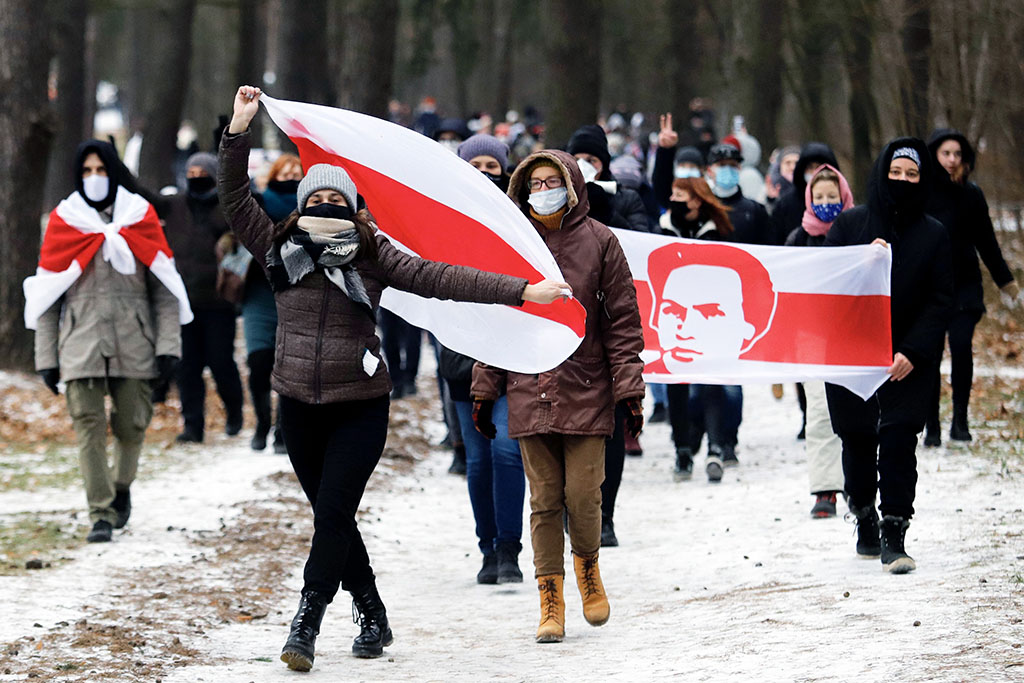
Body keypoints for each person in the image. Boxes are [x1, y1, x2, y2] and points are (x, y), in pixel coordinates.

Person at [220, 85, 570, 671]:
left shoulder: (372, 253)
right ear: (302, 206)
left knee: (332, 512)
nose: (327, 205)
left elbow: (442, 277)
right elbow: (234, 197)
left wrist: (522, 291)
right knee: (333, 517)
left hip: (360, 403)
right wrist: (238, 130)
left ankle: (305, 623)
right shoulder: (278, 248)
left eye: (338, 197)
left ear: (353, 207)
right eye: (317, 197)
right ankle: (373, 612)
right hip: (298, 403)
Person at [472, 150, 644, 644]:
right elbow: (496, 322)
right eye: (535, 182)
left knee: (583, 496)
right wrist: (486, 389)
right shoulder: (514, 244)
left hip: (587, 386)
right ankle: (551, 598)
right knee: (545, 500)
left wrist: (629, 389)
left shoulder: (601, 242)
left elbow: (623, 322)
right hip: (530, 386)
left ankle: (588, 570)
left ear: (571, 187)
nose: (543, 190)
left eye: (552, 181)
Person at [25, 139, 188, 543]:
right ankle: (100, 512)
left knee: (132, 425)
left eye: (101, 170)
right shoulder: (66, 221)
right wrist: (46, 357)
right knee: (88, 428)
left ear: (113, 172)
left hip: (135, 342)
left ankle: (121, 488)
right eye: (86, 171)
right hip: (80, 344)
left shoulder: (139, 216)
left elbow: (165, 288)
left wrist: (169, 346)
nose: (94, 178)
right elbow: (47, 296)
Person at [824, 138, 953, 574]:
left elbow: (941, 299)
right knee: (857, 438)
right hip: (853, 355)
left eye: (912, 174)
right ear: (882, 173)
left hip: (909, 359)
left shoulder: (934, 234)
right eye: (895, 172)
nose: (902, 180)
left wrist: (913, 351)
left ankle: (894, 532)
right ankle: (863, 515)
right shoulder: (849, 226)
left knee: (899, 439)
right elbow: (829, 289)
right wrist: (863, 262)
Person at [440, 133, 526, 584]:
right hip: (462, 356)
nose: (484, 174)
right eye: (474, 166)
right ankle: (488, 548)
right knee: (478, 460)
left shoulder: (520, 219)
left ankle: (510, 549)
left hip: (514, 355)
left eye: (492, 167)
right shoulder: (442, 218)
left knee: (509, 452)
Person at [923, 129, 1019, 445]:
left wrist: (1007, 283)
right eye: (946, 153)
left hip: (965, 286)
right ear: (934, 154)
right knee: (929, 356)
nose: (952, 160)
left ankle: (960, 420)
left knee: (962, 348)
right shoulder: (920, 193)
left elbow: (987, 242)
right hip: (928, 288)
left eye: (957, 154)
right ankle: (932, 424)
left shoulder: (971, 194)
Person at [784, 164, 855, 517]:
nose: (827, 202)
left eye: (833, 196)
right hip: (811, 337)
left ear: (844, 197)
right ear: (809, 199)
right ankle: (825, 489)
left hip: (853, 335)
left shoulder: (859, 230)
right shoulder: (798, 238)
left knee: (858, 412)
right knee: (820, 412)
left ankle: (858, 484)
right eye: (819, 197)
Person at [162, 152, 245, 443]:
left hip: (218, 303)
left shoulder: (226, 208)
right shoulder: (175, 207)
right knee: (187, 368)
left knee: (221, 362)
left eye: (202, 173)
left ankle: (235, 411)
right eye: (191, 173)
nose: (196, 178)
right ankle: (192, 426)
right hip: (184, 305)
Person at [247, 152, 302, 452]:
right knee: (258, 361)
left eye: (297, 171)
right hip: (258, 292)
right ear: (274, 174)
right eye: (286, 171)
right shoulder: (260, 202)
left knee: (287, 363)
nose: (292, 175)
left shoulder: (311, 209)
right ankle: (261, 421)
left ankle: (283, 428)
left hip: (295, 291)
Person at [770, 142, 839, 245]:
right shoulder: (786, 204)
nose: (815, 172)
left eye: (820, 167)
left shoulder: (842, 202)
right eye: (810, 167)